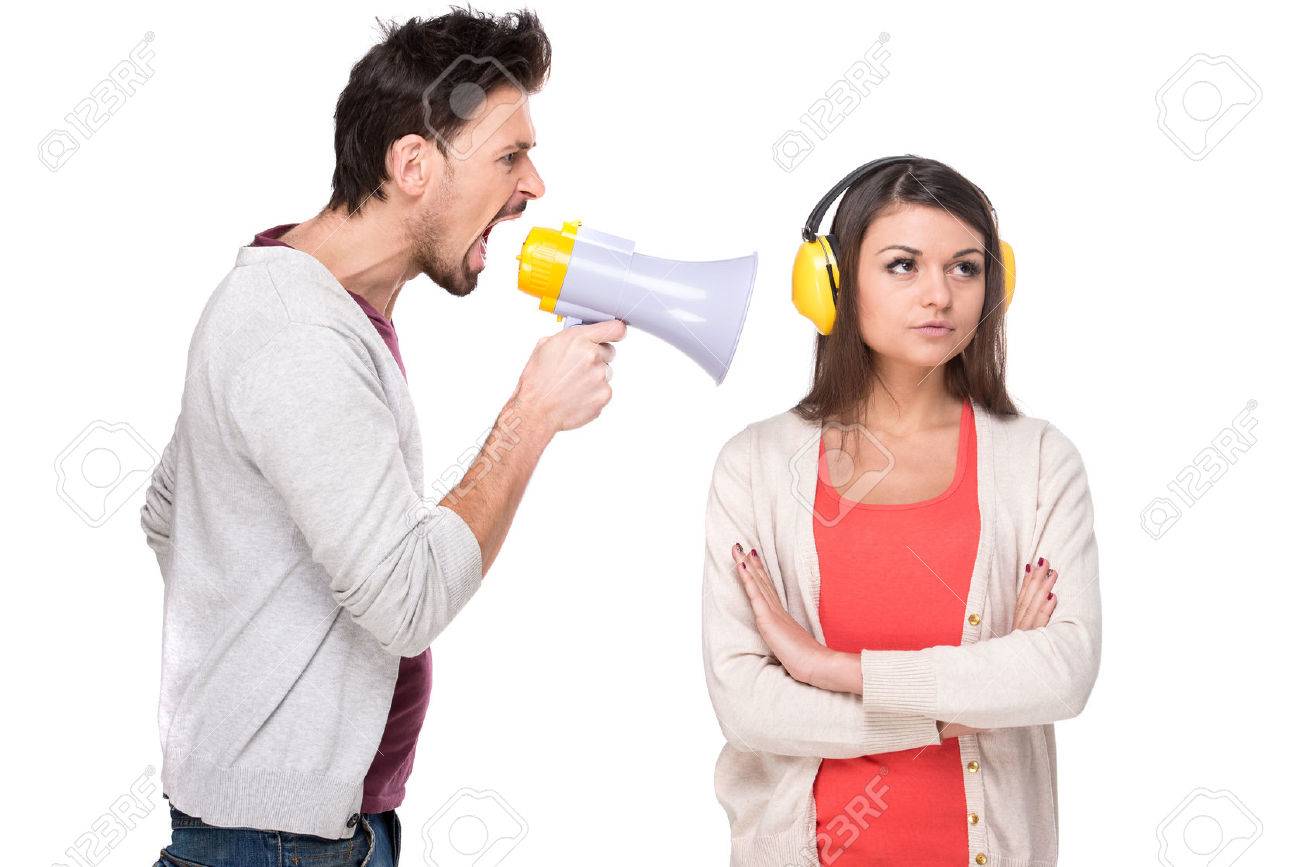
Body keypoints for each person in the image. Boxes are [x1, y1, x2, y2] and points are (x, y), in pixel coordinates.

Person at [140, 10, 625, 866]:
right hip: (273, 843)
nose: (535, 187)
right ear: (412, 165)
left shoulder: (310, 304)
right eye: (511, 155)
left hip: (298, 831)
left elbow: (167, 509)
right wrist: (532, 414)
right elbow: (407, 602)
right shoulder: (297, 333)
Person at [701, 155, 1101, 866]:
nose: (939, 295)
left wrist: (833, 667)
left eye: (966, 267)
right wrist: (963, 705)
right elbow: (749, 705)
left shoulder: (1039, 461)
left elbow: (1063, 671)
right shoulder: (755, 467)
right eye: (902, 265)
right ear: (830, 283)